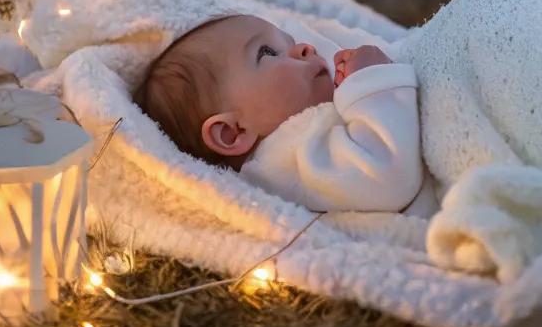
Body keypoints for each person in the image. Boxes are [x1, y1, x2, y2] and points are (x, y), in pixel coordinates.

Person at [134, 12, 438, 216]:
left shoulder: (305, 130)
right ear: (232, 132)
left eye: (289, 42)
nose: (305, 48)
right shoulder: (283, 164)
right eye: (267, 53)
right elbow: (384, 177)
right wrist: (373, 83)